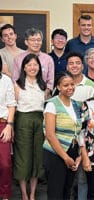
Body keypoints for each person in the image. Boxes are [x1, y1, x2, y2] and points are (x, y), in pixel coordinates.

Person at [43, 72, 82, 200]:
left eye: (72, 84)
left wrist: (79, 155)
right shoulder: (52, 104)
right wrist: (65, 157)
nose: (70, 87)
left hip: (72, 151)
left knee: (67, 190)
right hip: (55, 153)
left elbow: (79, 131)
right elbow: (50, 134)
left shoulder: (76, 105)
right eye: (66, 85)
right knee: (55, 192)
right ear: (58, 87)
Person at [13, 53, 46, 200]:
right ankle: (24, 194)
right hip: (22, 121)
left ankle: (33, 194)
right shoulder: (17, 84)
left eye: (35, 65)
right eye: (29, 65)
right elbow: (12, 107)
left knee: (37, 158)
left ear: (39, 67)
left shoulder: (43, 86)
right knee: (23, 158)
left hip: (39, 121)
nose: (33, 68)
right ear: (24, 68)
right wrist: (11, 127)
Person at [66, 52, 94, 200]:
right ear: (67, 66)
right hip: (65, 137)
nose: (74, 66)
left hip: (84, 137)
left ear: (82, 66)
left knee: (82, 176)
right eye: (71, 63)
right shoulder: (61, 84)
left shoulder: (90, 85)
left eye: (77, 63)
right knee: (66, 175)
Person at [12, 27, 54, 99]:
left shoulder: (48, 59)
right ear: (26, 42)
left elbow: (50, 81)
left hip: (43, 97)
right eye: (32, 40)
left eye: (38, 40)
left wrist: (45, 94)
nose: (36, 43)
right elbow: (15, 80)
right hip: (23, 99)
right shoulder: (18, 59)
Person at [0, 55, 16, 200]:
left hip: (3, 125)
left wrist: (9, 125)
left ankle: (5, 195)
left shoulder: (5, 80)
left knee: (5, 164)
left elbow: (11, 104)